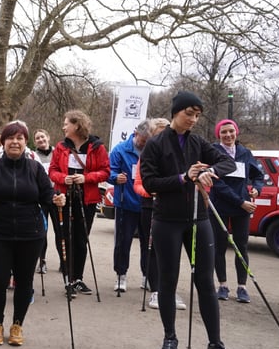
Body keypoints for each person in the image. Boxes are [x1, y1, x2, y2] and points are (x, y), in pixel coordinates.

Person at [140, 90, 238, 349]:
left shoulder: (198, 142)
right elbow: (149, 183)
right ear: (176, 112)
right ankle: (170, 337)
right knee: (168, 280)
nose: (193, 119)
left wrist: (209, 171)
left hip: (198, 219)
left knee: (205, 283)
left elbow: (228, 162)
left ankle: (215, 345)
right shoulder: (156, 144)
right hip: (166, 220)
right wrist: (185, 176)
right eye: (189, 114)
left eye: (197, 115)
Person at [0, 121, 65, 346]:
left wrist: (56, 199)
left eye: (20, 138)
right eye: (11, 138)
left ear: (25, 143)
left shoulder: (34, 167)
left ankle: (17, 325)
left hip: (30, 234)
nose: (15, 142)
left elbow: (47, 194)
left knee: (24, 282)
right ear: (3, 142)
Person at [48, 110, 110, 296]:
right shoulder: (61, 147)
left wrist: (86, 178)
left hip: (87, 199)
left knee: (81, 238)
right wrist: (63, 178)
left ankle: (78, 278)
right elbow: (52, 171)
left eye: (66, 123)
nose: (63, 126)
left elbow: (105, 171)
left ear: (77, 125)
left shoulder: (97, 147)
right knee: (65, 236)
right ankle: (68, 277)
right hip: (64, 197)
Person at [133, 118, 187, 311]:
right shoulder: (147, 154)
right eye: (160, 132)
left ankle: (170, 291)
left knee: (173, 251)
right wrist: (151, 191)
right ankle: (156, 290)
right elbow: (138, 184)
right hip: (151, 207)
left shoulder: (181, 154)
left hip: (175, 208)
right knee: (153, 249)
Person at [209, 119, 264, 303]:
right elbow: (217, 184)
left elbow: (258, 175)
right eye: (223, 132)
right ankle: (222, 285)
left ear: (236, 132)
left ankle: (242, 287)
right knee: (219, 247)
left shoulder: (245, 153)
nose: (228, 135)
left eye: (231, 131)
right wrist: (241, 202)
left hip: (242, 208)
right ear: (219, 135)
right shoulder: (214, 152)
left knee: (242, 246)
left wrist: (257, 188)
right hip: (221, 206)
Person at [107, 120, 153, 292]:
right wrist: (115, 177)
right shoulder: (120, 150)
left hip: (148, 204)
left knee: (148, 243)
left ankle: (148, 276)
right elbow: (109, 171)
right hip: (126, 203)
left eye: (148, 140)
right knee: (123, 241)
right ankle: (121, 275)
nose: (145, 144)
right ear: (136, 134)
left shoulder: (152, 151)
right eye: (143, 140)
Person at [32, 129, 55, 274]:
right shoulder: (34, 156)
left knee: (62, 231)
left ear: (48, 137)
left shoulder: (57, 153)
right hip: (42, 197)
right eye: (37, 138)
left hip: (58, 195)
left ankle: (64, 263)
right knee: (42, 229)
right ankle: (42, 260)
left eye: (42, 137)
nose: (41, 140)